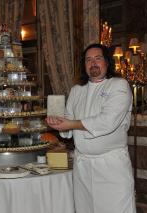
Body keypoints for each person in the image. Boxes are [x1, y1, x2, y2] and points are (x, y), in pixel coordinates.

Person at [46, 43, 136, 213]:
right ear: (84, 65)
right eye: (88, 60)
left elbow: (107, 121)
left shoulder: (119, 85)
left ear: (107, 62)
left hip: (111, 166)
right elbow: (67, 128)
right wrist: (59, 125)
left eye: (98, 58)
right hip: (83, 167)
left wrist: (70, 124)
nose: (93, 63)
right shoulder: (76, 90)